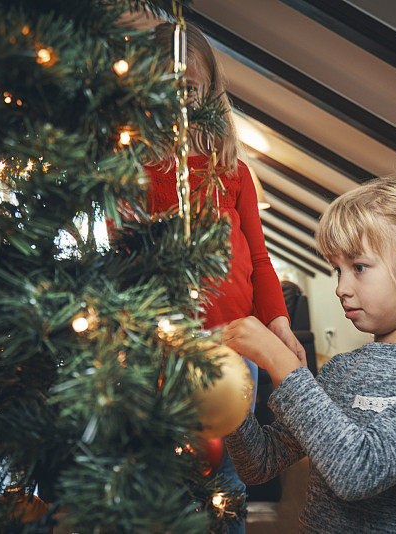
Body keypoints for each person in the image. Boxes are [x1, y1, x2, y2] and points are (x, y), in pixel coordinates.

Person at [222, 176, 396, 533]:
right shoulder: (340, 369)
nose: (341, 288)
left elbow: (361, 472)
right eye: (336, 270)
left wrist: (285, 368)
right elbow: (259, 464)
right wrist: (229, 392)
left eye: (359, 267)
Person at [146, 22, 306, 533]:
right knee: (164, 485)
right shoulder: (136, 170)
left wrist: (278, 323)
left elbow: (259, 260)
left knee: (228, 484)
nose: (180, 101)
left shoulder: (233, 171)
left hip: (236, 349)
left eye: (190, 89)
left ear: (211, 90)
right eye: (166, 88)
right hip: (160, 351)